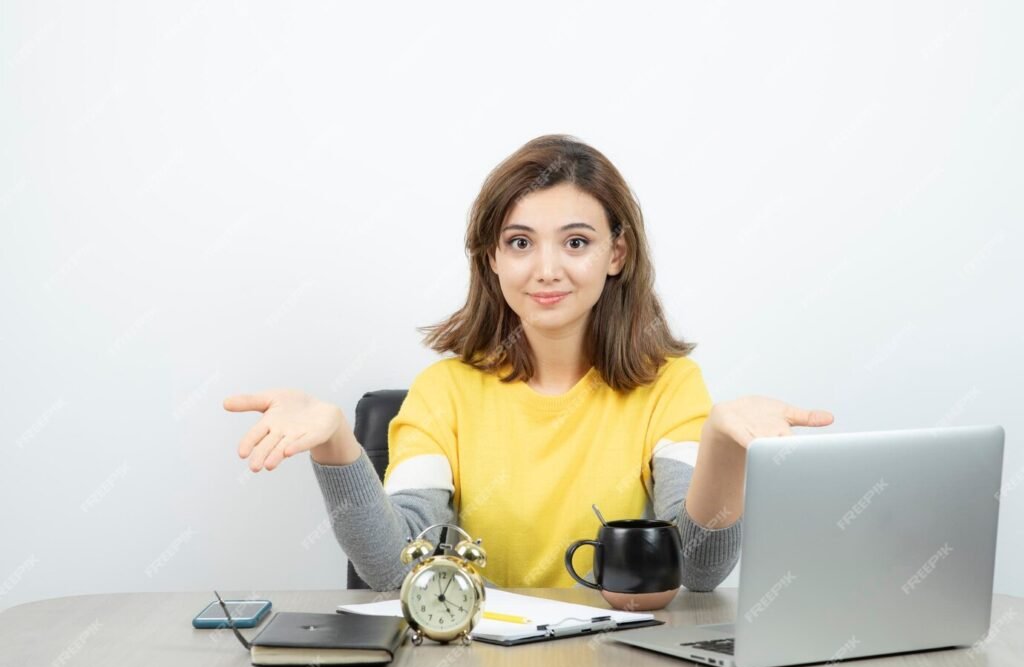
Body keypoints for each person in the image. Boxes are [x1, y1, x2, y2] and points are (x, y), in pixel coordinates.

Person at [223, 134, 834, 592]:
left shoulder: (670, 388)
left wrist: (725, 445)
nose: (546, 269)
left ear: (616, 253)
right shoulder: (443, 393)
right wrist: (335, 444)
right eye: (520, 243)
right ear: (492, 256)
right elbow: (392, 567)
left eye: (576, 242)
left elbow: (697, 571)